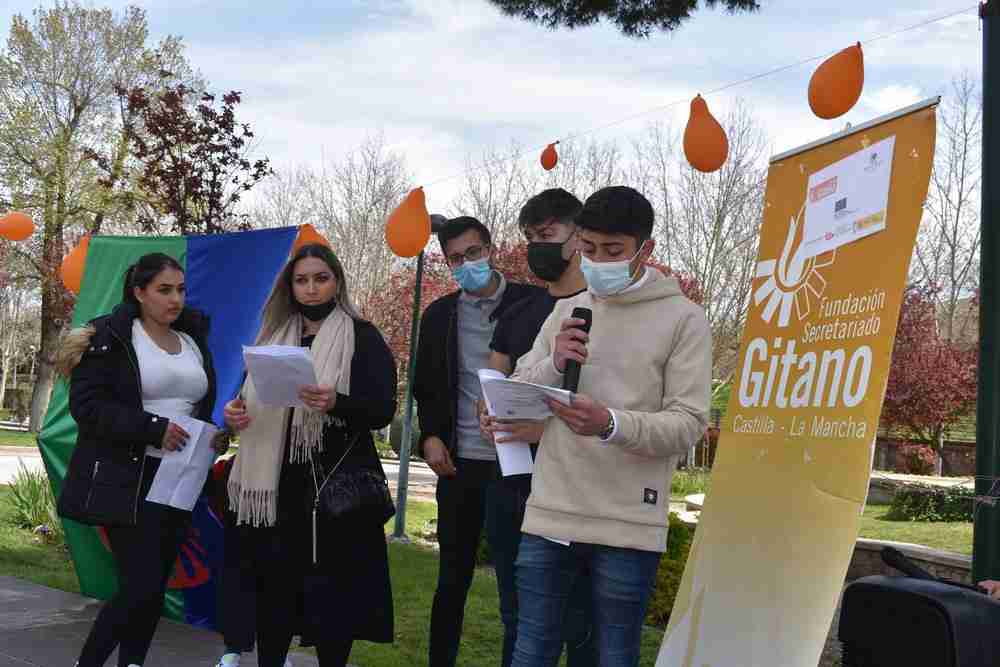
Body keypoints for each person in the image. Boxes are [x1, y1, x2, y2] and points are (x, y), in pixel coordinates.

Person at [509, 186, 712, 667]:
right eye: (587, 248)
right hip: (550, 513)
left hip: (628, 524)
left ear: (646, 249)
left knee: (610, 655)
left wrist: (611, 424)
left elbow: (688, 424)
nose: (597, 261)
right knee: (530, 649)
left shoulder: (684, 319)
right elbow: (518, 391)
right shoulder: (566, 310)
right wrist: (554, 362)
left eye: (613, 251)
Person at [221, 243, 396, 667]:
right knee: (273, 593)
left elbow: (381, 410)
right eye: (302, 280)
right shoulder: (272, 338)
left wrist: (336, 401)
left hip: (332, 491)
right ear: (290, 286)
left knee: (333, 598)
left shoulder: (361, 336)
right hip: (274, 488)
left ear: (337, 282)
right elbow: (244, 398)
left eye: (321, 278)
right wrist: (233, 413)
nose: (311, 288)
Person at [56, 253, 223, 667]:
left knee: (154, 584)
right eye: (164, 290)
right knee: (140, 586)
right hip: (129, 476)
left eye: (181, 290)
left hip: (182, 476)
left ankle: (132, 662)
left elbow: (196, 404)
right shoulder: (111, 336)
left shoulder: (191, 339)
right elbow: (88, 407)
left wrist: (211, 435)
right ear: (139, 292)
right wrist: (152, 429)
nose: (175, 299)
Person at [413, 216, 543, 667]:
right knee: (451, 580)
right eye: (455, 259)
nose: (466, 264)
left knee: (515, 582)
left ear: (488, 248)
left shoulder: (533, 304)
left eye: (473, 253)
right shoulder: (439, 316)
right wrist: (429, 436)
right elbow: (425, 385)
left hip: (517, 462)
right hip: (459, 462)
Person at [480, 188, 595, 667]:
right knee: (518, 618)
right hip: (514, 487)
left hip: (582, 490)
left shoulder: (602, 308)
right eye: (529, 237)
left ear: (577, 236)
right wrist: (487, 414)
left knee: (583, 625)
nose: (536, 246)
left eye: (546, 234)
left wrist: (542, 432)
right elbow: (493, 382)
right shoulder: (519, 312)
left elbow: (617, 407)